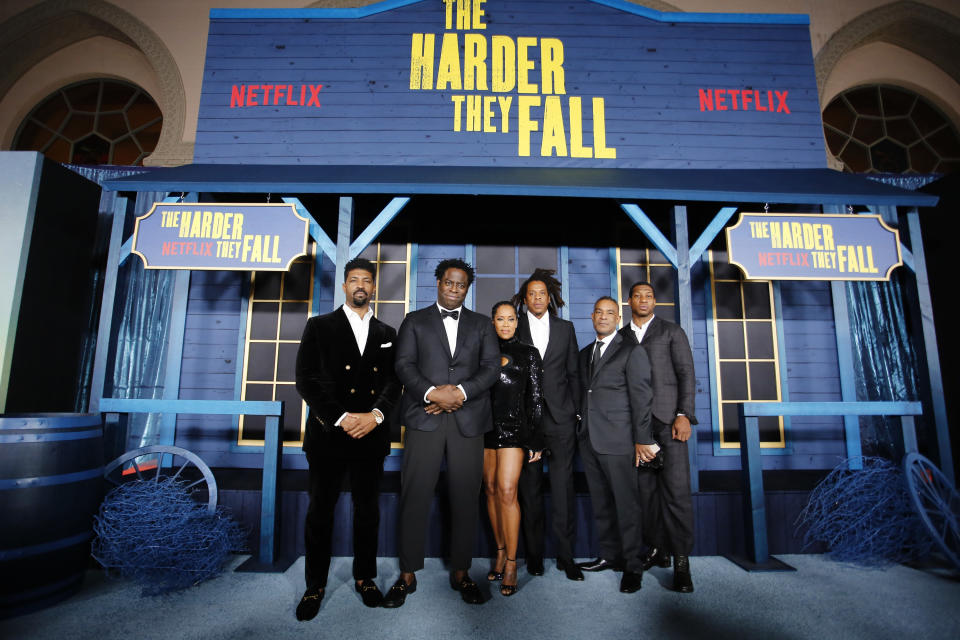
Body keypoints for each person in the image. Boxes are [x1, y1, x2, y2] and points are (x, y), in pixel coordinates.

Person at [382, 258, 500, 607]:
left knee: (465, 497)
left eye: (460, 285)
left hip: (468, 420)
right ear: (438, 283)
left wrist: (458, 394)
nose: (454, 289)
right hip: (424, 417)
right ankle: (406, 574)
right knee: (415, 495)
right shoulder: (414, 321)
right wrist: (434, 394)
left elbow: (491, 367)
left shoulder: (481, 324)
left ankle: (462, 573)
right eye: (448, 283)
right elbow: (403, 365)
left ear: (467, 288)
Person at [293, 257, 401, 620]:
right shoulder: (319, 325)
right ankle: (315, 585)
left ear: (373, 288)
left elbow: (394, 383)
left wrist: (374, 416)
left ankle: (365, 577)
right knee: (319, 513)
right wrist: (341, 417)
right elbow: (305, 380)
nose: (360, 285)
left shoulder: (388, 333)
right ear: (344, 286)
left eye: (366, 280)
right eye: (353, 279)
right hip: (328, 434)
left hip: (371, 435)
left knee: (367, 512)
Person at [618, 281, 697, 593]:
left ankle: (681, 562)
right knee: (644, 496)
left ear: (655, 302)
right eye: (637, 295)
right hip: (635, 427)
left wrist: (684, 414)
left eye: (648, 296)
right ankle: (655, 549)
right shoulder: (621, 337)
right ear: (629, 301)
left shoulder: (671, 332)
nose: (643, 300)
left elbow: (687, 374)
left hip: (668, 423)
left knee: (676, 494)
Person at [576, 297, 653, 593]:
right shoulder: (586, 353)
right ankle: (609, 555)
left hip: (620, 440)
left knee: (626, 505)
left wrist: (642, 440)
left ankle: (632, 566)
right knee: (602, 504)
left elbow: (642, 399)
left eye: (610, 313)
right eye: (599, 312)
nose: (603, 317)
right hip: (590, 440)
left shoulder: (632, 351)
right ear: (592, 317)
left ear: (618, 318)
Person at [513, 269, 583, 581]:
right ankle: (535, 557)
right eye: (532, 293)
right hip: (528, 423)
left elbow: (574, 375)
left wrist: (576, 413)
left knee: (563, 489)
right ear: (525, 299)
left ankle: (567, 557)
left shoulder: (566, 329)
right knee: (529, 491)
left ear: (549, 297)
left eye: (543, 293)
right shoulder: (514, 327)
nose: (538, 298)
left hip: (561, 421)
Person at [483, 301, 545, 596]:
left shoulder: (529, 354)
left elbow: (535, 399)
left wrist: (535, 439)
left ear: (516, 323)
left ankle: (510, 562)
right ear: (492, 322)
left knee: (507, 490)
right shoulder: (483, 351)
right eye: (500, 319)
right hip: (484, 431)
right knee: (492, 490)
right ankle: (498, 550)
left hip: (514, 432)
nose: (505, 324)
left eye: (510, 319)